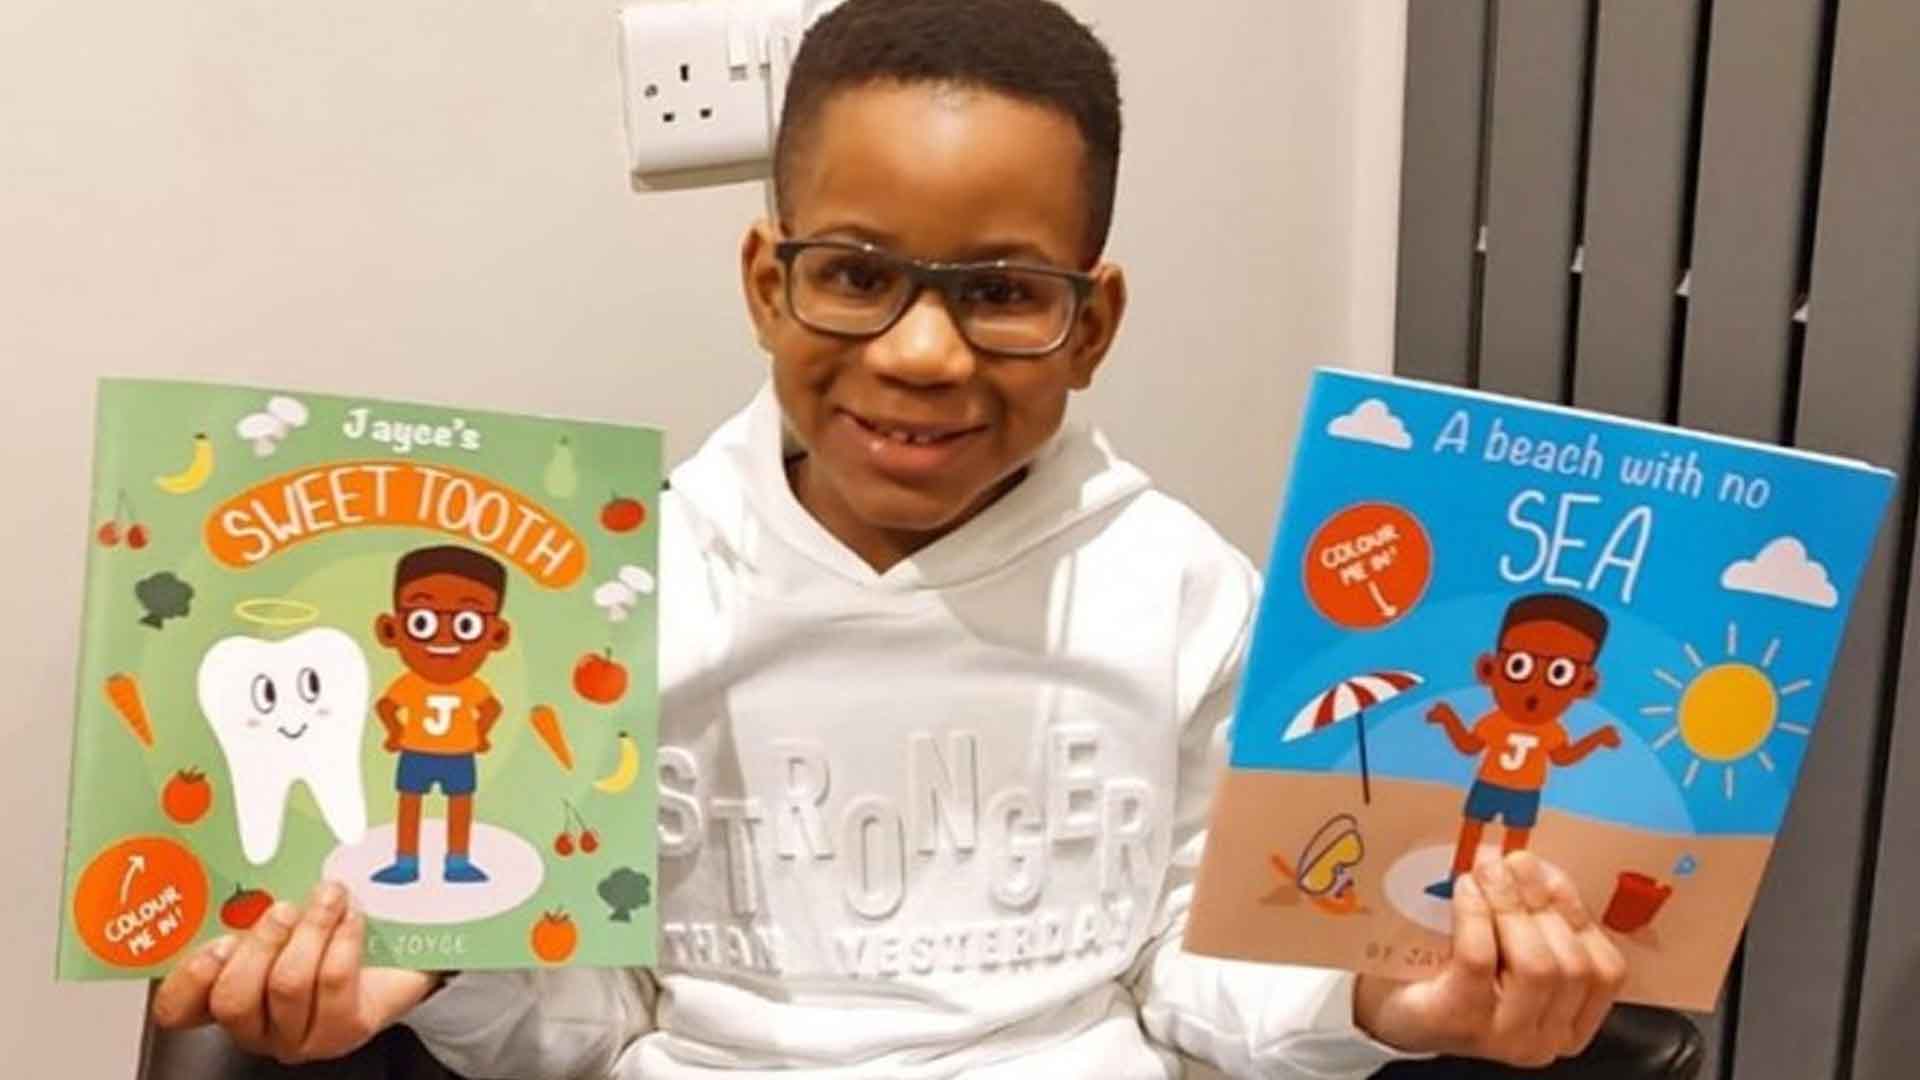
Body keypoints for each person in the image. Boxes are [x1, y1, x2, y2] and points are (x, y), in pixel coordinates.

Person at [151, 1, 1626, 1075]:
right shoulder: (621, 597)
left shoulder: (1184, 593)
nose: (923, 352)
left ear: (1091, 323)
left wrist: (1382, 1005)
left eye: (1003, 291)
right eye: (856, 274)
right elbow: (582, 1029)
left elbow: (1207, 985)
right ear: (766, 283)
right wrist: (440, 980)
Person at [1425, 593, 1620, 899]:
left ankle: (1506, 888)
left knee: (1515, 843)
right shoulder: (1494, 722)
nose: (1535, 689)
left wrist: (1596, 738)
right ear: (1489, 669)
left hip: (1525, 791)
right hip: (1489, 783)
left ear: (1586, 685)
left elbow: (1563, 757)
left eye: (1559, 673)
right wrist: (1448, 719)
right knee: (1472, 830)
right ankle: (1457, 879)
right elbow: (1468, 746)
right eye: (1520, 666)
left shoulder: (1550, 730)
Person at [368, 545, 513, 886]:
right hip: (416, 751)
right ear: (390, 630)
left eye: (466, 624)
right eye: (422, 622)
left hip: (458, 754)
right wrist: (394, 733)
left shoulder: (471, 686)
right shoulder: (410, 683)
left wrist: (481, 735)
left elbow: (491, 708)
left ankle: (457, 861)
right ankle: (406, 861)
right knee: (410, 803)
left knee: (459, 804)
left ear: (496, 635)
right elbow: (386, 707)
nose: (445, 637)